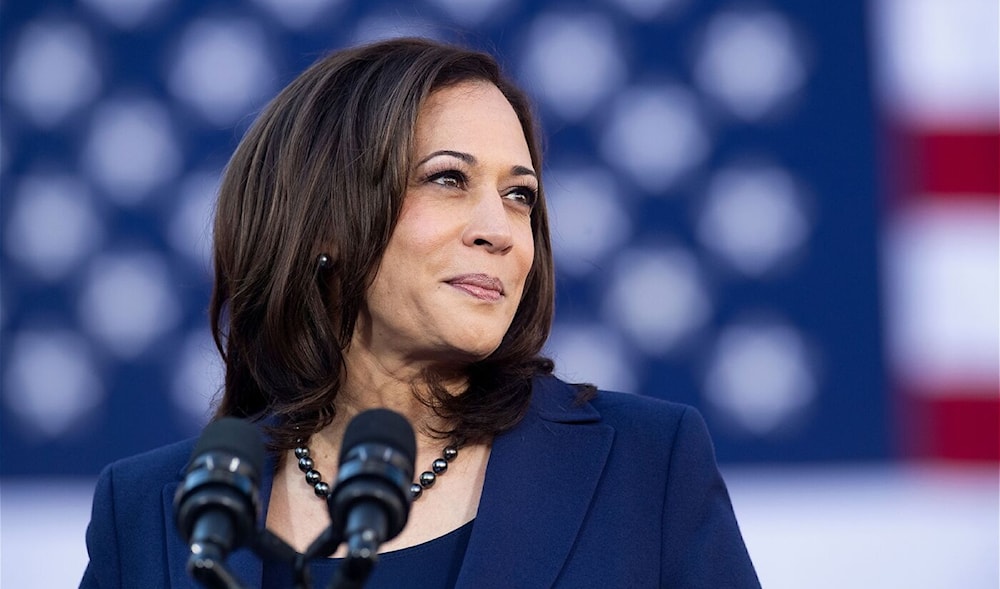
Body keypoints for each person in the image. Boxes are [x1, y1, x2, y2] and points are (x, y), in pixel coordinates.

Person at [80, 37, 760, 588]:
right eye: (448, 179)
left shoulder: (647, 467)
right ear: (325, 225)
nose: (501, 228)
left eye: (520, 195)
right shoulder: (150, 512)